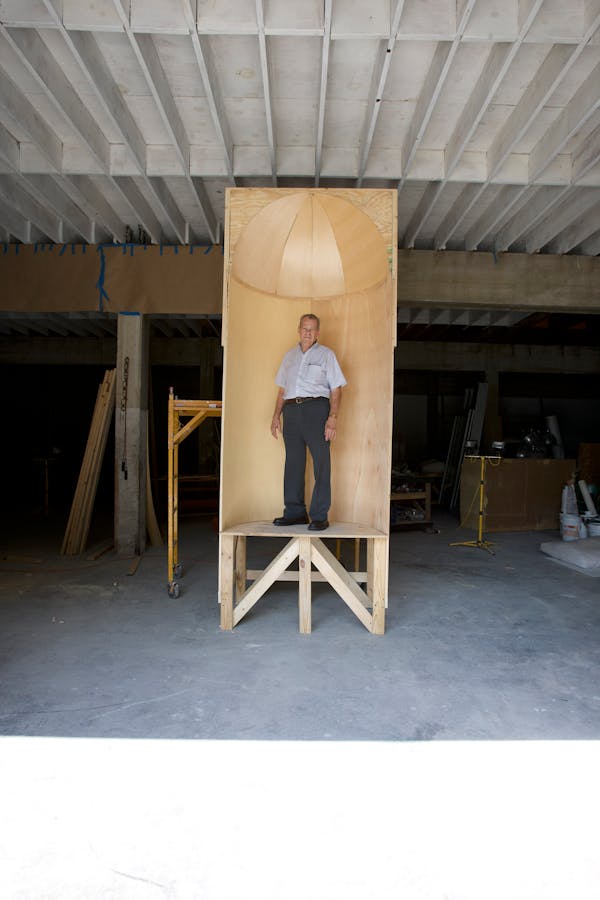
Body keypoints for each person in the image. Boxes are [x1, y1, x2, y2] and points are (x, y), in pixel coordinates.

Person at [270, 314, 346, 531]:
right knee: (293, 462)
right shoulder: (289, 357)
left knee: (321, 462)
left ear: (318, 333)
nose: (308, 332)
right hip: (291, 411)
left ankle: (320, 515)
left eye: (312, 329)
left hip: (316, 410)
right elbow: (282, 390)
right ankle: (295, 512)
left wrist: (332, 417)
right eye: (304, 328)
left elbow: (336, 388)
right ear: (298, 329)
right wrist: (276, 415)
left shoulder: (326, 355)